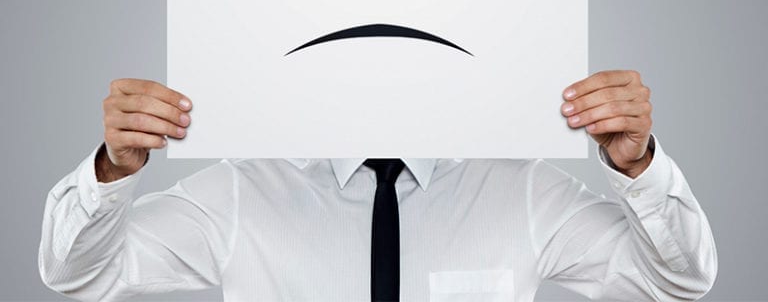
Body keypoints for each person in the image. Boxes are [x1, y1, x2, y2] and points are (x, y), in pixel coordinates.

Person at [38, 70, 717, 301]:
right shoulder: (243, 191)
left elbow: (678, 283)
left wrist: (640, 168)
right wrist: (112, 170)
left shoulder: (523, 191)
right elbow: (76, 277)